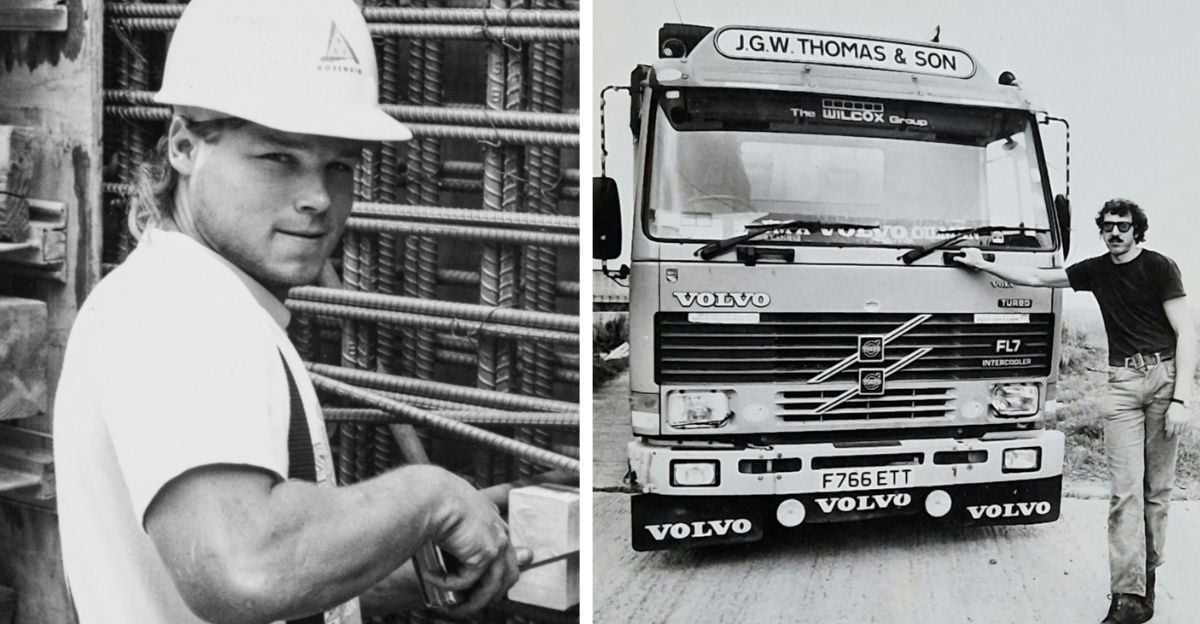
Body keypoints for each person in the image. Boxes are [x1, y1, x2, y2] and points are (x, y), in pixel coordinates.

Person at [53, 0, 525, 622]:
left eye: (339, 167)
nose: (316, 198)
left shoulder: (208, 299)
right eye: (278, 158)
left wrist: (402, 555)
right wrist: (426, 498)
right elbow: (245, 569)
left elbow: (229, 577)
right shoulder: (179, 306)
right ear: (184, 146)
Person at [954, 198, 1196, 624]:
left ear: (1138, 229)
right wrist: (983, 261)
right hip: (1121, 384)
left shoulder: (1160, 267)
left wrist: (1182, 399)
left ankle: (1147, 580)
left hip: (1164, 377)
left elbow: (1186, 332)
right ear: (1101, 231)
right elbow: (1035, 275)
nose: (1115, 233)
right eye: (1107, 227)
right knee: (1125, 492)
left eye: (1123, 226)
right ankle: (1127, 597)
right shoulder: (1096, 269)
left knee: (1156, 493)